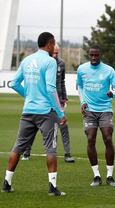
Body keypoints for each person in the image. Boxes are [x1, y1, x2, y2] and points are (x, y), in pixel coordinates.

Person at [1, 32, 66, 196]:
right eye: (54, 44)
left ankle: (7, 183)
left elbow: (14, 83)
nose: (54, 47)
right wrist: (60, 113)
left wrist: (28, 95)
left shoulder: (27, 60)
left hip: (28, 111)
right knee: (50, 148)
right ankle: (52, 187)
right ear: (50, 43)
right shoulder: (50, 62)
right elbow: (51, 89)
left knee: (18, 146)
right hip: (45, 113)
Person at [77, 45, 115, 187]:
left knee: (108, 138)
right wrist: (83, 101)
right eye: (91, 55)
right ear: (88, 55)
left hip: (105, 109)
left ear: (100, 55)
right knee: (90, 138)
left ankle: (109, 176)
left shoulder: (109, 70)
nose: (94, 58)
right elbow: (80, 86)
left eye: (96, 55)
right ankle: (96, 175)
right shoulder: (82, 69)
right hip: (89, 110)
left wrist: (113, 93)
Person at [21, 44, 75, 163]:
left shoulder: (60, 63)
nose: (55, 55)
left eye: (57, 53)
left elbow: (62, 81)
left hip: (58, 100)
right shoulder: (44, 62)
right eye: (54, 53)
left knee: (63, 126)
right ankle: (26, 152)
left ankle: (67, 153)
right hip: (44, 100)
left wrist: (64, 97)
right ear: (49, 50)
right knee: (34, 127)